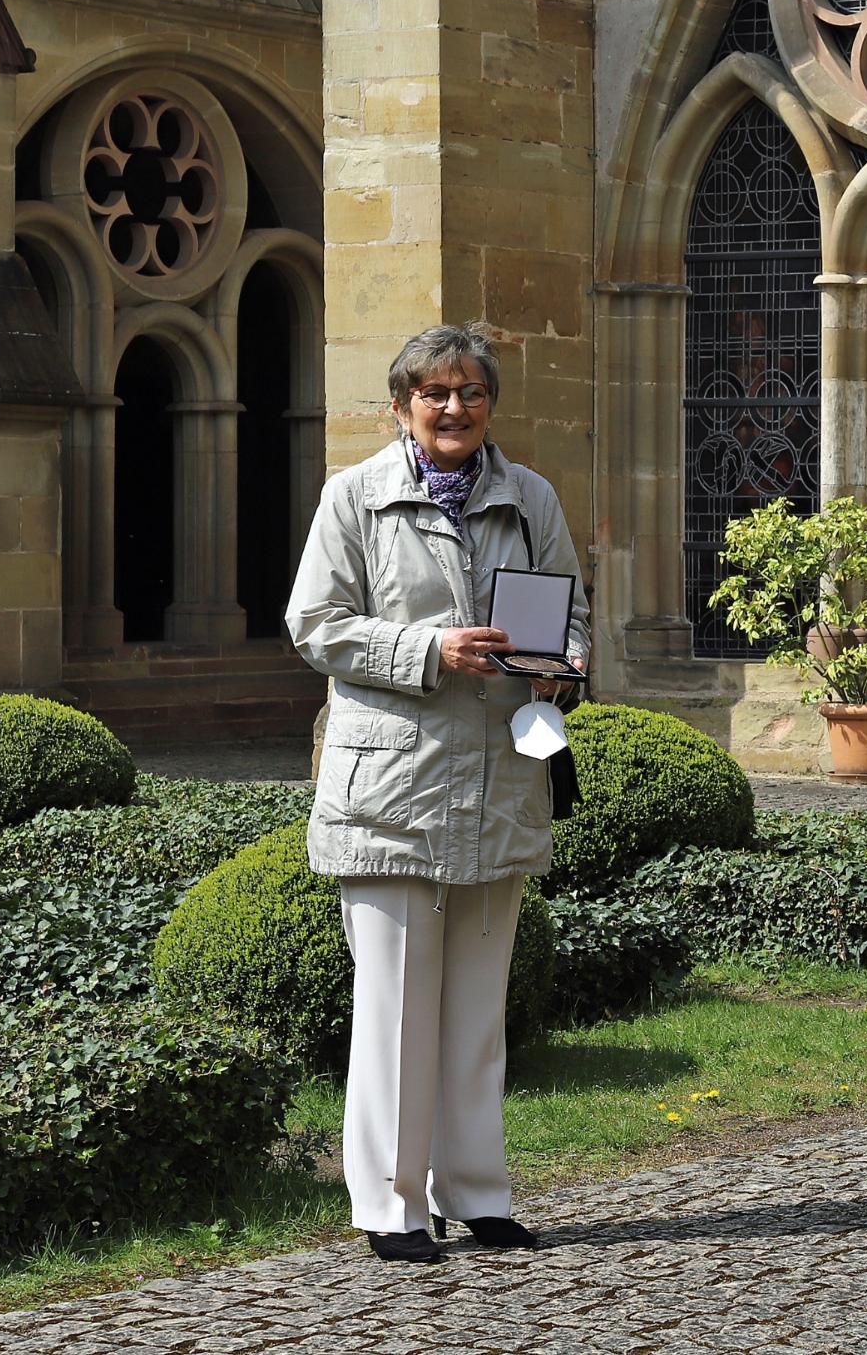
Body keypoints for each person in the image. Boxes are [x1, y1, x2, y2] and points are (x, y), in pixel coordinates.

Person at [285, 322, 589, 1263]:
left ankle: (478, 1193)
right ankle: (391, 1207)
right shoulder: (354, 497)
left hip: (499, 777)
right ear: (402, 406)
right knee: (396, 1006)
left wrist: (562, 666)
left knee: (475, 1008)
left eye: (470, 392)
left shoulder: (530, 495)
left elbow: (572, 610)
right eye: (434, 393)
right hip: (391, 787)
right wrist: (428, 648)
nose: (453, 408)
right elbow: (315, 625)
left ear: (489, 403)